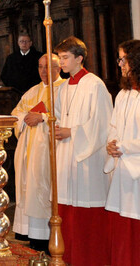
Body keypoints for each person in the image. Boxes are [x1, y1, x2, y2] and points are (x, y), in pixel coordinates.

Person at [54, 36, 112, 265]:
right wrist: (57, 128)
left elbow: (102, 123)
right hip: (66, 157)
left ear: (79, 58)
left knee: (86, 217)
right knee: (66, 212)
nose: (61, 62)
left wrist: (72, 133)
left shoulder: (94, 84)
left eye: (65, 58)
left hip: (87, 160)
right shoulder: (64, 87)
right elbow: (59, 116)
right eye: (60, 58)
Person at [10, 53, 63, 252]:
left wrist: (42, 117)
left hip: (50, 152)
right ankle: (33, 235)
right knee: (29, 189)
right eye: (40, 66)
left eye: (48, 66)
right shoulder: (32, 91)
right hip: (29, 151)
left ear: (59, 68)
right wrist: (26, 117)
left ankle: (49, 236)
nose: (43, 71)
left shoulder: (64, 90)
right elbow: (16, 113)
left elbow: (68, 116)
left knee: (45, 191)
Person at [104, 39, 140, 265]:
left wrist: (125, 147)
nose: (120, 64)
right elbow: (113, 127)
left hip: (136, 167)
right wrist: (111, 144)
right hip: (122, 169)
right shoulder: (123, 95)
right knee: (123, 225)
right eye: (119, 59)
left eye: (123, 59)